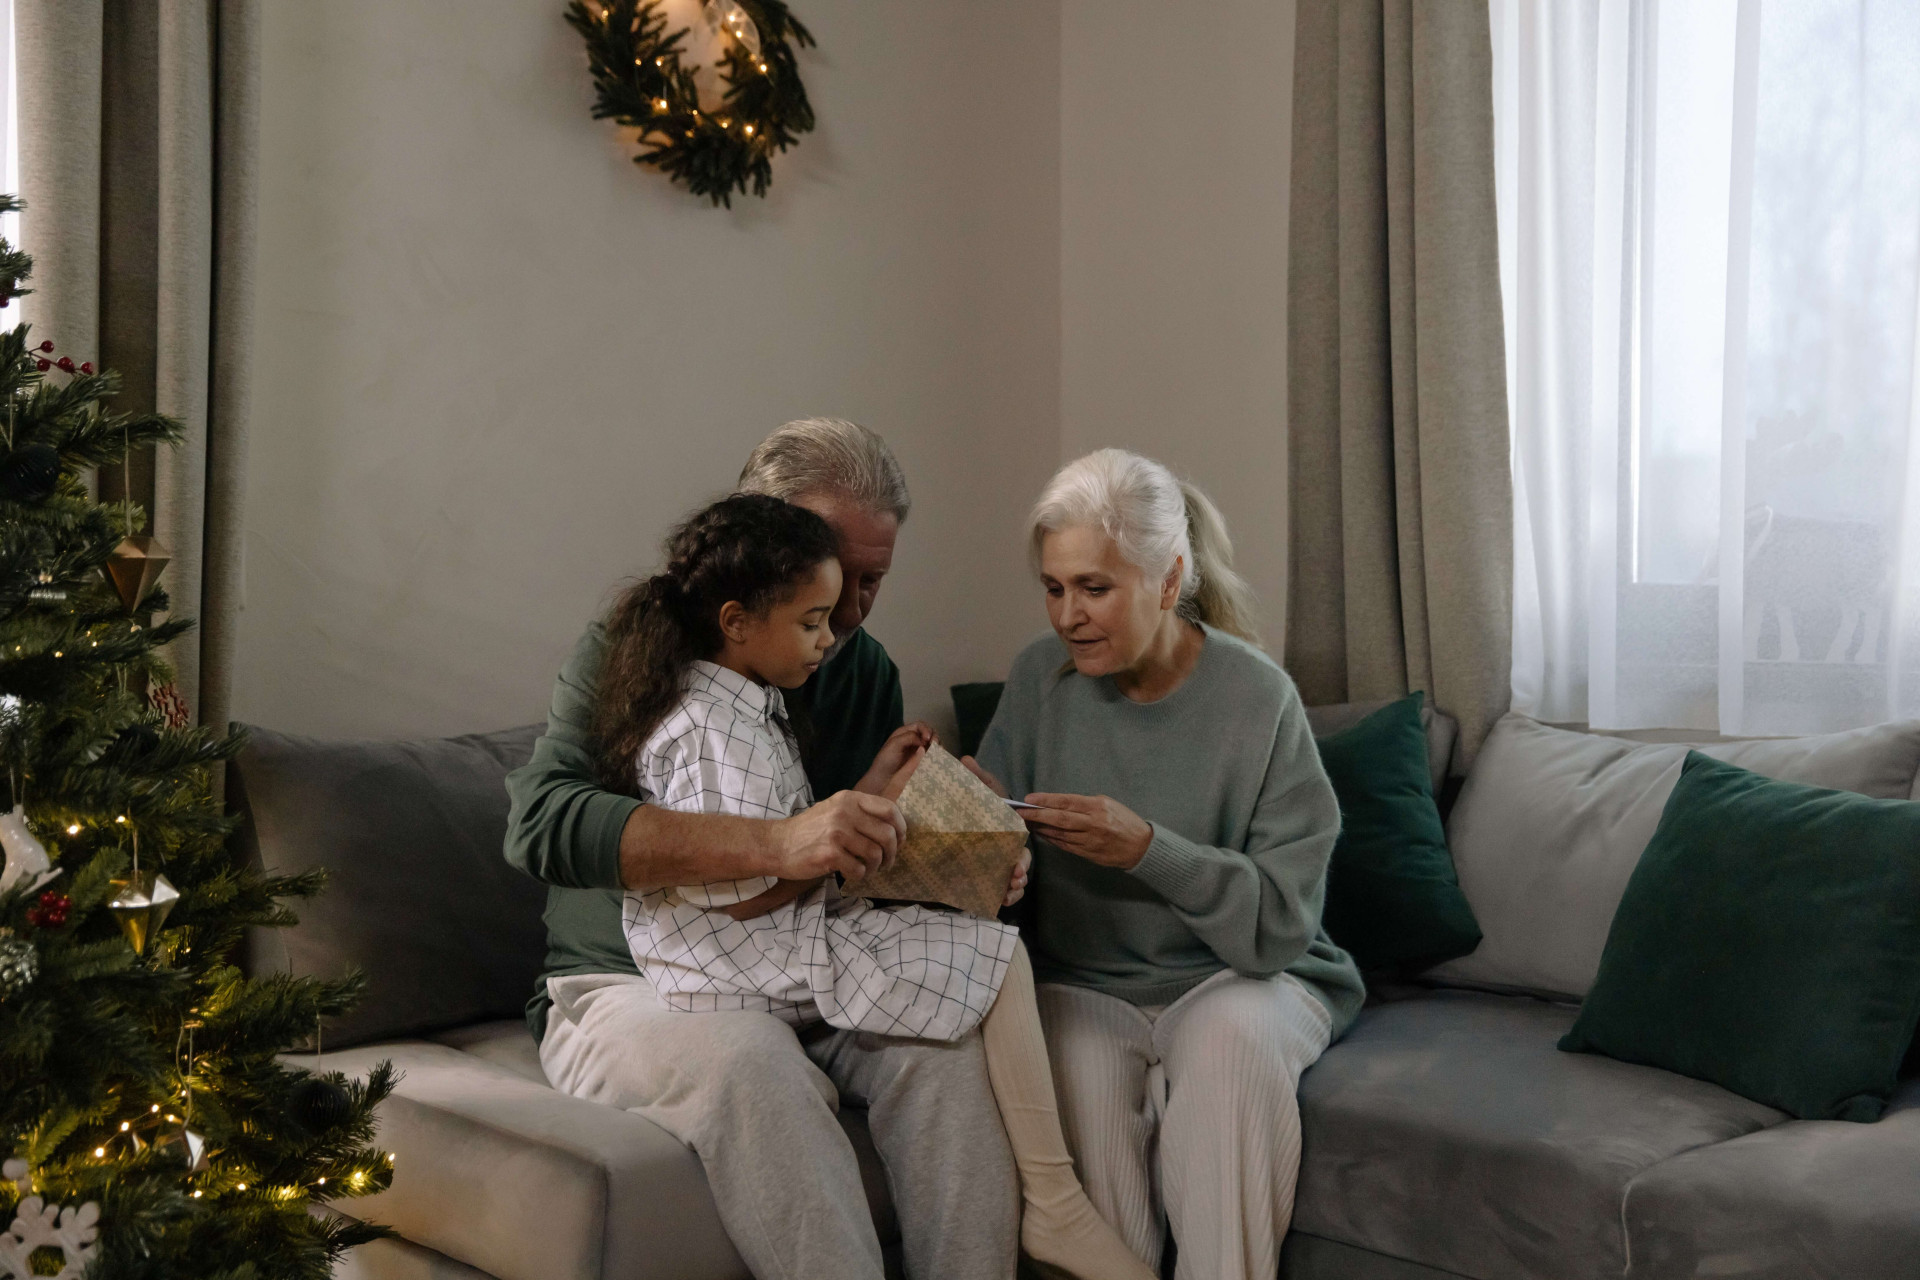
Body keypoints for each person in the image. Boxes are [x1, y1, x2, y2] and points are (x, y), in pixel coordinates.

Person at [596, 492, 1156, 1280]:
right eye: (812, 621)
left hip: (755, 941)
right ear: (735, 622)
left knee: (976, 967)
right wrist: (859, 846)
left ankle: (1048, 1205)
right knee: (992, 955)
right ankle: (1055, 1201)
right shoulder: (712, 732)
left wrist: (873, 787)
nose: (831, 638)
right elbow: (741, 891)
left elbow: (781, 837)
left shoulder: (738, 706)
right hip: (738, 959)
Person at [505, 420, 1016, 1280]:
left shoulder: (859, 670)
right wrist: (781, 841)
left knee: (947, 1055)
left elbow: (865, 867)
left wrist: (970, 849)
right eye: (832, 579)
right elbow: (544, 824)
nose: (850, 610)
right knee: (752, 1064)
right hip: (634, 985)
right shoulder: (631, 647)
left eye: (873, 581)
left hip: (804, 968)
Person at [967, 448, 1367, 1280]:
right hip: (1083, 983)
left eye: (1095, 588)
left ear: (1169, 575)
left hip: (1241, 979)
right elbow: (999, 867)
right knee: (1078, 1118)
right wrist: (967, 816)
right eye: (1054, 587)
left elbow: (1281, 925)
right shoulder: (1040, 680)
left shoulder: (1258, 698)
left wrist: (1151, 851)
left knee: (1229, 1048)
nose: (1068, 616)